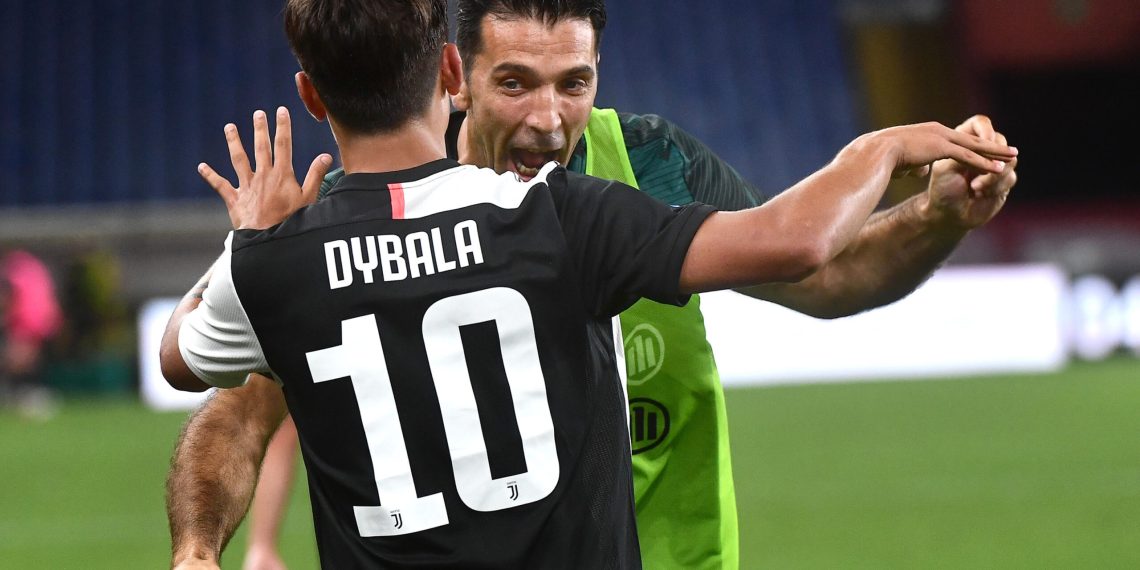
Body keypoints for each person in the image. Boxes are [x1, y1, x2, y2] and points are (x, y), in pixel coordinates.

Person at [160, 0, 1015, 567]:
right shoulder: (557, 219)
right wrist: (200, 543)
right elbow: (239, 412)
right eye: (516, 83)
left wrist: (937, 216)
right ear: (456, 78)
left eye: (575, 83)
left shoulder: (645, 162)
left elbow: (829, 274)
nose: (548, 117)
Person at [0, 249, 63, 419]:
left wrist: (6, 316)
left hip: (27, 320)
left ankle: (25, 395)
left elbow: (11, 294)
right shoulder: (35, 268)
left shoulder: (14, 270)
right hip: (43, 319)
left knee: (16, 359)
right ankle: (26, 395)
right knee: (23, 360)